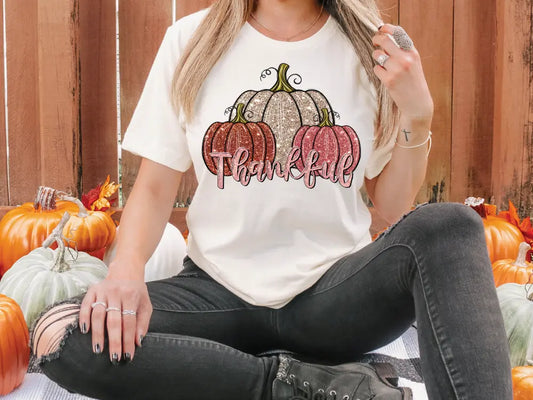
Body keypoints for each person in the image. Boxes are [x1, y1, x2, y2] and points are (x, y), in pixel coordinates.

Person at [31, 0, 512, 399]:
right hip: (215, 296)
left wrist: (418, 115)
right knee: (62, 333)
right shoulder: (191, 41)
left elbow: (389, 207)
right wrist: (125, 272)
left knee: (452, 226)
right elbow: (155, 187)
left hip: (332, 299)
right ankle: (295, 386)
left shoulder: (373, 48)